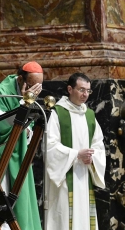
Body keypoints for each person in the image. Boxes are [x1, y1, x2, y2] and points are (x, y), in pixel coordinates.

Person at [0, 61, 43, 230]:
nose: (34, 89)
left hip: (18, 155)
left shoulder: (27, 95)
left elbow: (30, 128)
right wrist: (23, 106)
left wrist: (28, 128)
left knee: (20, 203)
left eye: (39, 86)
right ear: (21, 79)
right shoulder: (0, 92)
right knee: (0, 205)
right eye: (32, 84)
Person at [45, 72, 106, 230]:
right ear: (70, 89)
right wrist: (76, 154)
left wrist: (93, 158)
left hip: (84, 175)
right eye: (81, 89)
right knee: (64, 217)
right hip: (65, 175)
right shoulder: (58, 113)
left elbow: (98, 144)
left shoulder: (90, 115)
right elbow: (49, 145)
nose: (85, 94)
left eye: (88, 90)